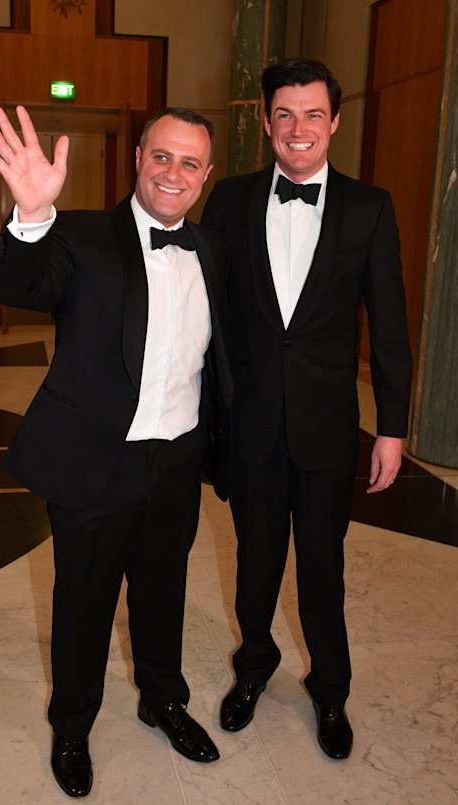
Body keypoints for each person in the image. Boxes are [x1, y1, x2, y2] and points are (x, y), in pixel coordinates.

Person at [0, 105, 232, 797]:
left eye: (189, 162)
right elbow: (22, 285)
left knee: (163, 591)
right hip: (96, 459)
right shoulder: (84, 234)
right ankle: (71, 724)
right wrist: (31, 213)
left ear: (206, 175)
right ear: (139, 158)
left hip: (176, 459)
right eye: (161, 156)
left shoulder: (211, 249)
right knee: (84, 601)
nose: (172, 173)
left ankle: (162, 700)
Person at [201, 58, 411, 760]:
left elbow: (389, 327)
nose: (298, 129)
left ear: (335, 121)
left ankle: (330, 688)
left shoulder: (370, 207)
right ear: (264, 122)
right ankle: (253, 668)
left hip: (327, 429)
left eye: (313, 114)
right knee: (254, 564)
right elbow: (206, 314)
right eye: (284, 114)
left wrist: (391, 425)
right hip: (252, 426)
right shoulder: (227, 202)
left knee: (323, 569)